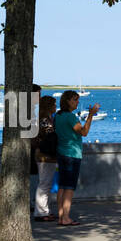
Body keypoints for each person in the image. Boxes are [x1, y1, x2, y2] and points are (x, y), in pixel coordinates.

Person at [54, 90, 99, 226]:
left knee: (62, 186)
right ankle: (66, 218)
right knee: (69, 187)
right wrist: (90, 115)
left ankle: (61, 216)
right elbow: (84, 132)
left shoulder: (58, 116)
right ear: (67, 101)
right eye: (75, 99)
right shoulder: (70, 117)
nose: (77, 102)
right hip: (72, 154)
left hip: (61, 153)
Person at [32, 95, 58, 222]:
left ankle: (44, 210)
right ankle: (41, 212)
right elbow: (49, 135)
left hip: (42, 154)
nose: (55, 107)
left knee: (45, 183)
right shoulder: (45, 120)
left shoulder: (43, 118)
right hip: (45, 155)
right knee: (44, 184)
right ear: (49, 106)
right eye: (54, 104)